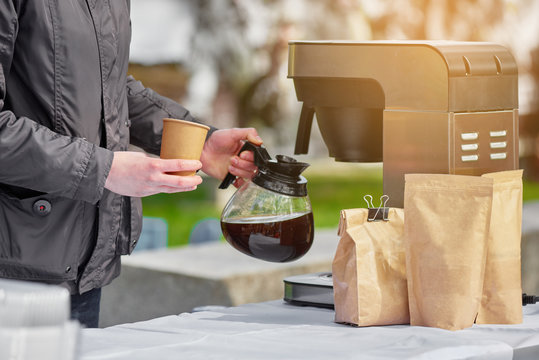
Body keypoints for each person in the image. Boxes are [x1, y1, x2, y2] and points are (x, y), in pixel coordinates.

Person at [0, 1, 261, 328]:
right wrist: (103, 169)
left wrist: (203, 141)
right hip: (12, 276)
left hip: (83, 269)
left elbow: (109, 88)